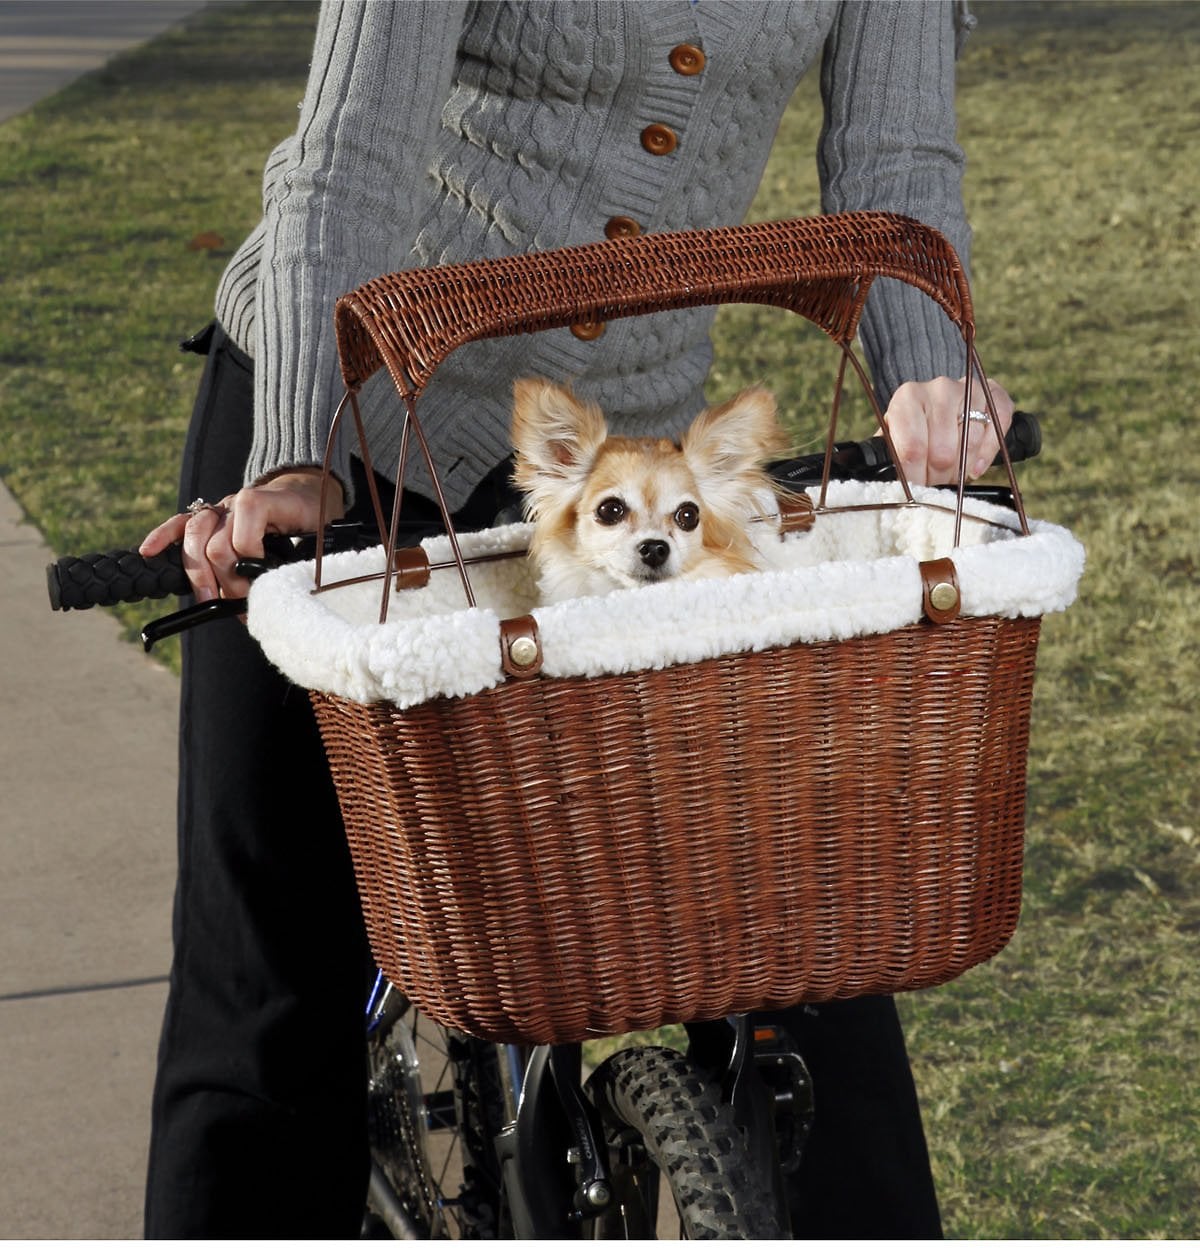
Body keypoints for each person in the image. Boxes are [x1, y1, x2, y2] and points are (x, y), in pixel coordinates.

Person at [139, 1, 1012, 1237]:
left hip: (626, 476)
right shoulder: (315, 439)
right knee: (272, 986)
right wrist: (295, 453)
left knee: (800, 945)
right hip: (350, 425)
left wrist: (932, 384)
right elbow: (345, 166)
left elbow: (895, 162)